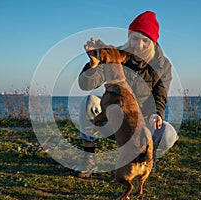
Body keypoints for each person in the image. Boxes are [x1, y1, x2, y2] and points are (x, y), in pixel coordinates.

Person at [74, 11, 179, 178]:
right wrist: (93, 65)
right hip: (113, 119)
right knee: (89, 102)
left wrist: (156, 115)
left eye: (145, 40)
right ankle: (89, 159)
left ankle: (145, 161)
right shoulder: (115, 55)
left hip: (141, 124)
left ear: (153, 42)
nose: (139, 45)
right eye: (135, 38)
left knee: (168, 133)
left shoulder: (162, 65)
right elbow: (86, 85)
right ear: (129, 37)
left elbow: (160, 95)